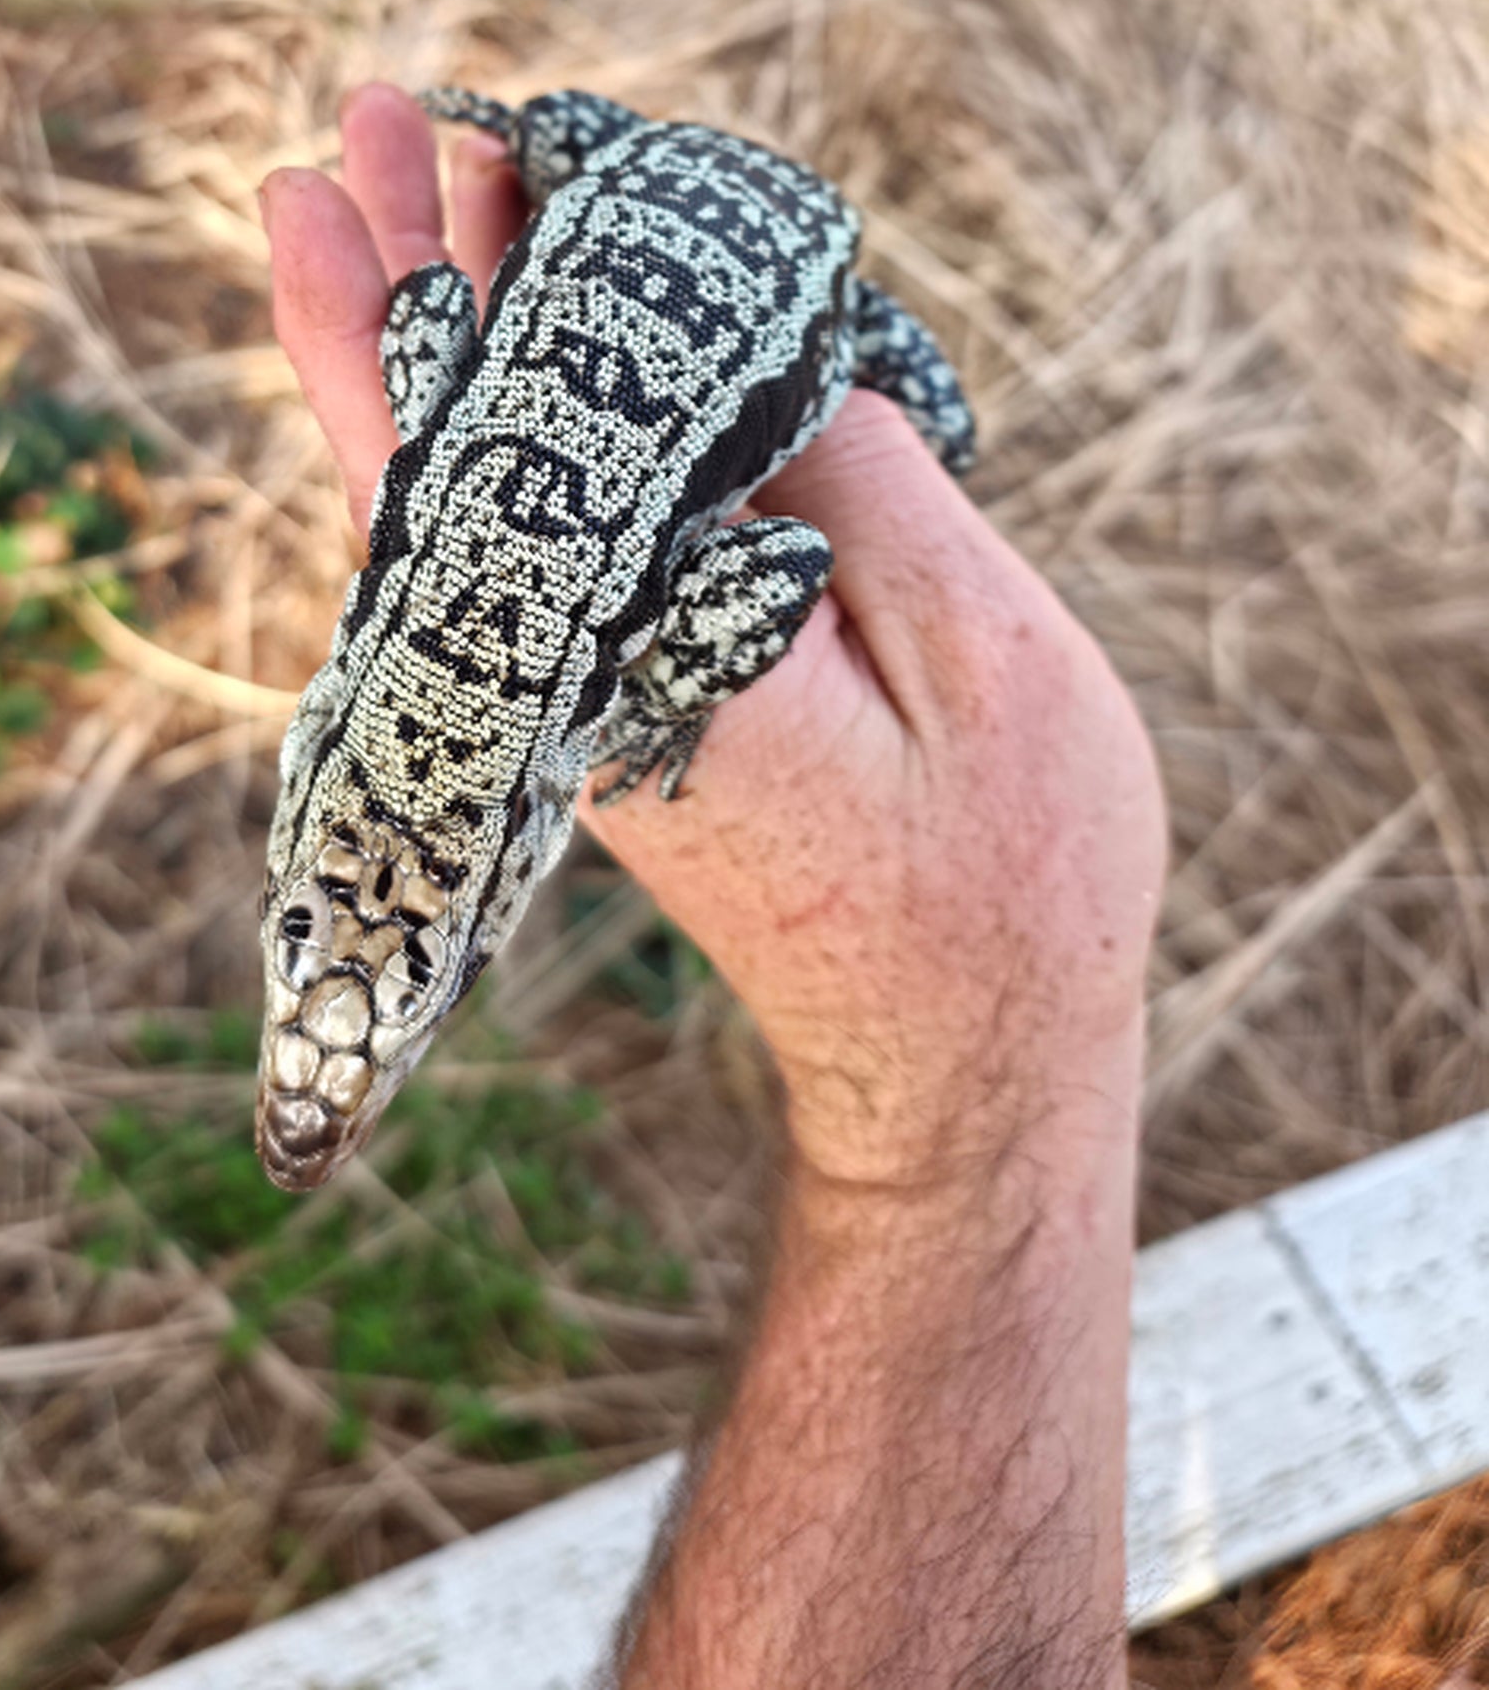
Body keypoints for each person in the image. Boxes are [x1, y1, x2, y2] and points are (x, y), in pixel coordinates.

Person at [260, 83, 1167, 1690]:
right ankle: (538, 134)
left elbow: (786, 556)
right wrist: (539, 172)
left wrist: (673, 688)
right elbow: (427, 317)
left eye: (446, 966)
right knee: (524, 164)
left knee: (938, 437)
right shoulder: (419, 463)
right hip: (637, 170)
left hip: (796, 267)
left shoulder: (568, 614)